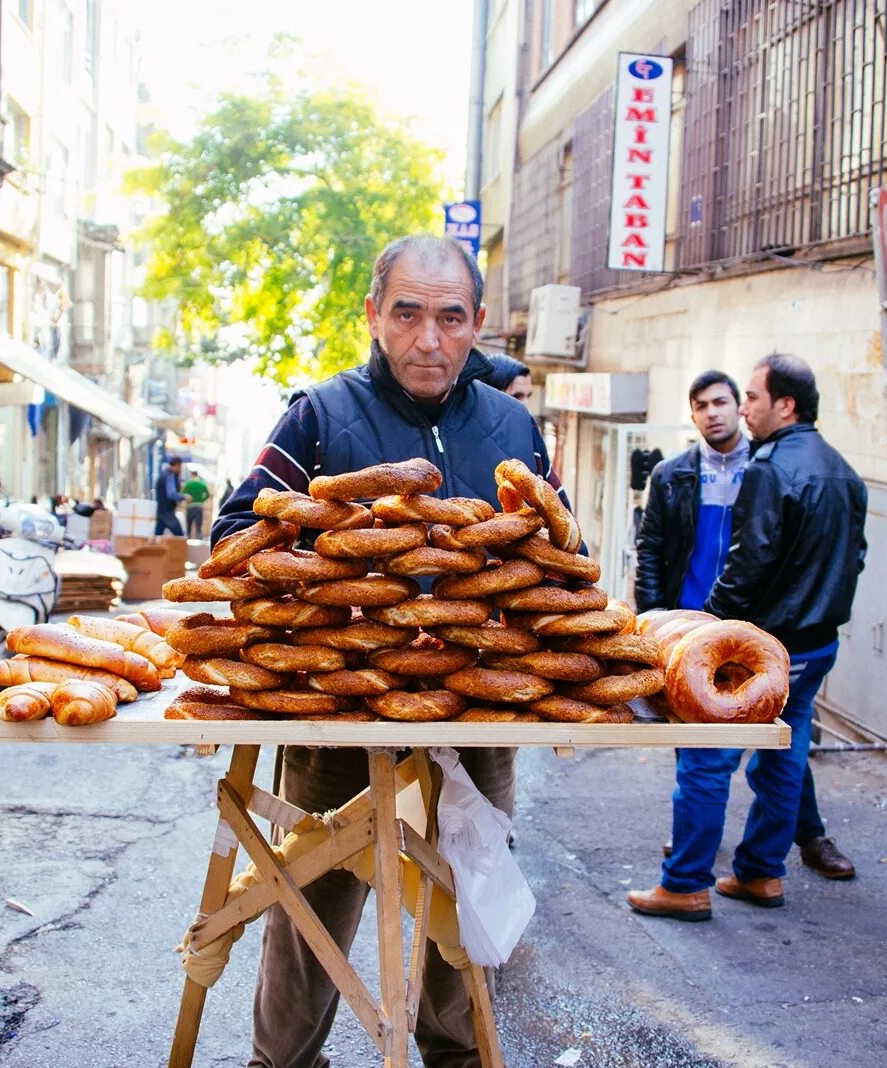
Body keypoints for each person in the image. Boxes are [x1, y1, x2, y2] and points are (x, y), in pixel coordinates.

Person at [213, 233, 570, 1068]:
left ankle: (454, 1055)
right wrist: (342, 553)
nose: (429, 339)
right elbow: (236, 534)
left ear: (478, 323)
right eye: (407, 314)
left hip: (480, 706)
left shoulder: (514, 425)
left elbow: (553, 557)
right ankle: (284, 1061)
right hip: (338, 708)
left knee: (467, 895)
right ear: (374, 316)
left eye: (450, 318)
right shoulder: (319, 416)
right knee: (311, 897)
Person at [627, 354, 866, 921]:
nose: (745, 409)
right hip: (815, 646)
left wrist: (705, 634)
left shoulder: (768, 468)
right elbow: (855, 558)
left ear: (784, 405)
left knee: (706, 763)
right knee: (784, 758)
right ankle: (761, 873)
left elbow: (746, 566)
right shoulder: (843, 469)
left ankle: (684, 883)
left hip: (759, 653)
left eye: (752, 397)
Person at [153, 459, 185, 536]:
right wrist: (183, 497)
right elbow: (171, 494)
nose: (180, 469)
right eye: (179, 467)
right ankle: (180, 548)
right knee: (179, 535)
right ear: (176, 465)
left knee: (158, 535)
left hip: (161, 510)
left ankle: (154, 547)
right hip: (167, 512)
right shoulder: (169, 476)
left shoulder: (164, 474)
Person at [181, 468, 210, 540]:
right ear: (197, 475)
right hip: (199, 506)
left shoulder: (188, 484)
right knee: (198, 526)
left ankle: (187, 541)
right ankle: (199, 541)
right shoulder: (202, 484)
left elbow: (183, 494)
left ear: (191, 475)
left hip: (190, 506)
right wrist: (202, 500)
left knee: (189, 526)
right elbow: (208, 494)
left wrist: (188, 500)